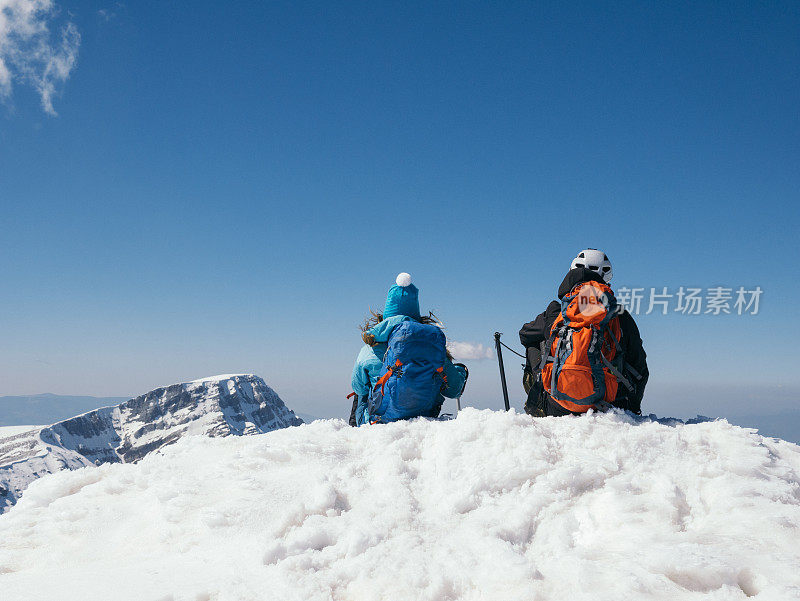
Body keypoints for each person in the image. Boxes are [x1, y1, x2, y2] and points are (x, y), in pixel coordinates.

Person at [519, 249, 648, 416]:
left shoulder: (555, 312)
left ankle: (536, 405)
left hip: (558, 405)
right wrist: (633, 407)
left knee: (533, 342)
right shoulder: (620, 315)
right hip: (610, 403)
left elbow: (524, 334)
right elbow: (640, 367)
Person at [349, 273, 467, 426]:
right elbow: (454, 390)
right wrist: (461, 371)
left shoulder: (369, 350)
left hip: (380, 420)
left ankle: (355, 429)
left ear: (385, 316)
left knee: (361, 393)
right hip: (425, 418)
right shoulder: (432, 347)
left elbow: (357, 386)